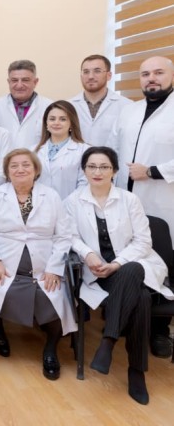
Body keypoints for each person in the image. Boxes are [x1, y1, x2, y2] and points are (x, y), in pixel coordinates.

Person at [64, 146, 174, 405]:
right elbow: (70, 236)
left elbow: (143, 241)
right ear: (84, 170)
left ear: (114, 171)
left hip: (134, 266)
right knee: (141, 299)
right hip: (97, 272)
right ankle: (136, 372)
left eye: (104, 167)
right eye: (92, 166)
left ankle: (109, 341)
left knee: (132, 269)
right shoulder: (72, 201)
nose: (98, 172)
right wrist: (89, 255)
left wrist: (117, 263)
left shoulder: (129, 200)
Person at [0, 148, 77, 381]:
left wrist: (54, 268)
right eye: (14, 166)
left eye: (25, 165)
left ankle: (50, 349)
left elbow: (63, 235)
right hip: (4, 263)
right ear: (7, 172)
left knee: (54, 297)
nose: (20, 169)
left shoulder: (51, 196)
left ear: (35, 170)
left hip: (44, 265)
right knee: (0, 292)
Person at [110, 55, 174, 358]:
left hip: (164, 202)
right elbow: (115, 151)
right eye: (146, 74)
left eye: (159, 72)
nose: (152, 78)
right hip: (126, 201)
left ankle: (159, 331)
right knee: (131, 261)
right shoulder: (130, 111)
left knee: (164, 265)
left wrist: (151, 171)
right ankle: (128, 317)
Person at [70, 55, 131, 146]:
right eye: (86, 72)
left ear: (109, 75)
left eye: (97, 71)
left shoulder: (126, 106)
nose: (90, 76)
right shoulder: (69, 106)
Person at [32, 100, 88, 199]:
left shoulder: (84, 150)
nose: (56, 123)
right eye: (52, 119)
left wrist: (69, 204)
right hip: (39, 205)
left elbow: (84, 185)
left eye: (63, 119)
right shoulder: (33, 150)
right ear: (46, 123)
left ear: (71, 123)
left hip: (71, 205)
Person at [0, 60, 52, 149]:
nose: (19, 85)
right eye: (14, 80)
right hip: (4, 158)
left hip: (37, 157)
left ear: (35, 82)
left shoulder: (49, 107)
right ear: (8, 82)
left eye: (25, 80)